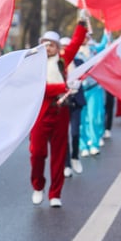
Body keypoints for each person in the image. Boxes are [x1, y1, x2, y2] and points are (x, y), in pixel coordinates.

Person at [29, 12, 88, 208]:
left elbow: (76, 43)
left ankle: (55, 193)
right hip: (40, 113)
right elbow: (41, 89)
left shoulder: (62, 60)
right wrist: (64, 87)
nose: (48, 48)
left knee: (59, 154)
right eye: (44, 44)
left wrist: (81, 22)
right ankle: (38, 186)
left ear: (57, 47)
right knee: (37, 153)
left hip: (60, 112)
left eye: (51, 44)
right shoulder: (34, 64)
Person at [59, 36, 86, 177]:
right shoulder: (57, 65)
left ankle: (75, 156)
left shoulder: (80, 61)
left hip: (76, 102)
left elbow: (87, 74)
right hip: (63, 103)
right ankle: (66, 164)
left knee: (75, 133)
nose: (66, 49)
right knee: (64, 135)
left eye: (68, 46)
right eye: (63, 47)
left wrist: (80, 84)